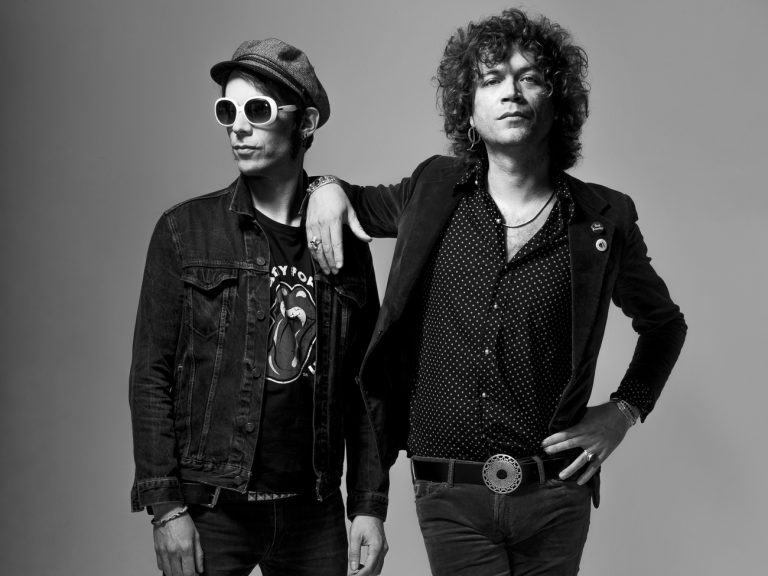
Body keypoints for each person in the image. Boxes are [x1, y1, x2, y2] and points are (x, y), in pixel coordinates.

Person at [306, 9, 686, 576]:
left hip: (556, 493)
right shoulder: (432, 189)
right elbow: (350, 200)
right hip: (449, 495)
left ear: (557, 101)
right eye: (491, 80)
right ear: (468, 108)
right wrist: (323, 187)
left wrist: (624, 410)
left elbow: (664, 324)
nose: (511, 91)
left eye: (529, 77)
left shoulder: (602, 218)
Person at [129, 38, 388, 576]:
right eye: (227, 111)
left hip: (314, 510)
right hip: (213, 507)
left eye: (257, 110)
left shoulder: (345, 242)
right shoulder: (184, 231)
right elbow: (151, 376)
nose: (238, 128)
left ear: (305, 123)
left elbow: (365, 385)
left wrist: (368, 505)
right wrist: (166, 507)